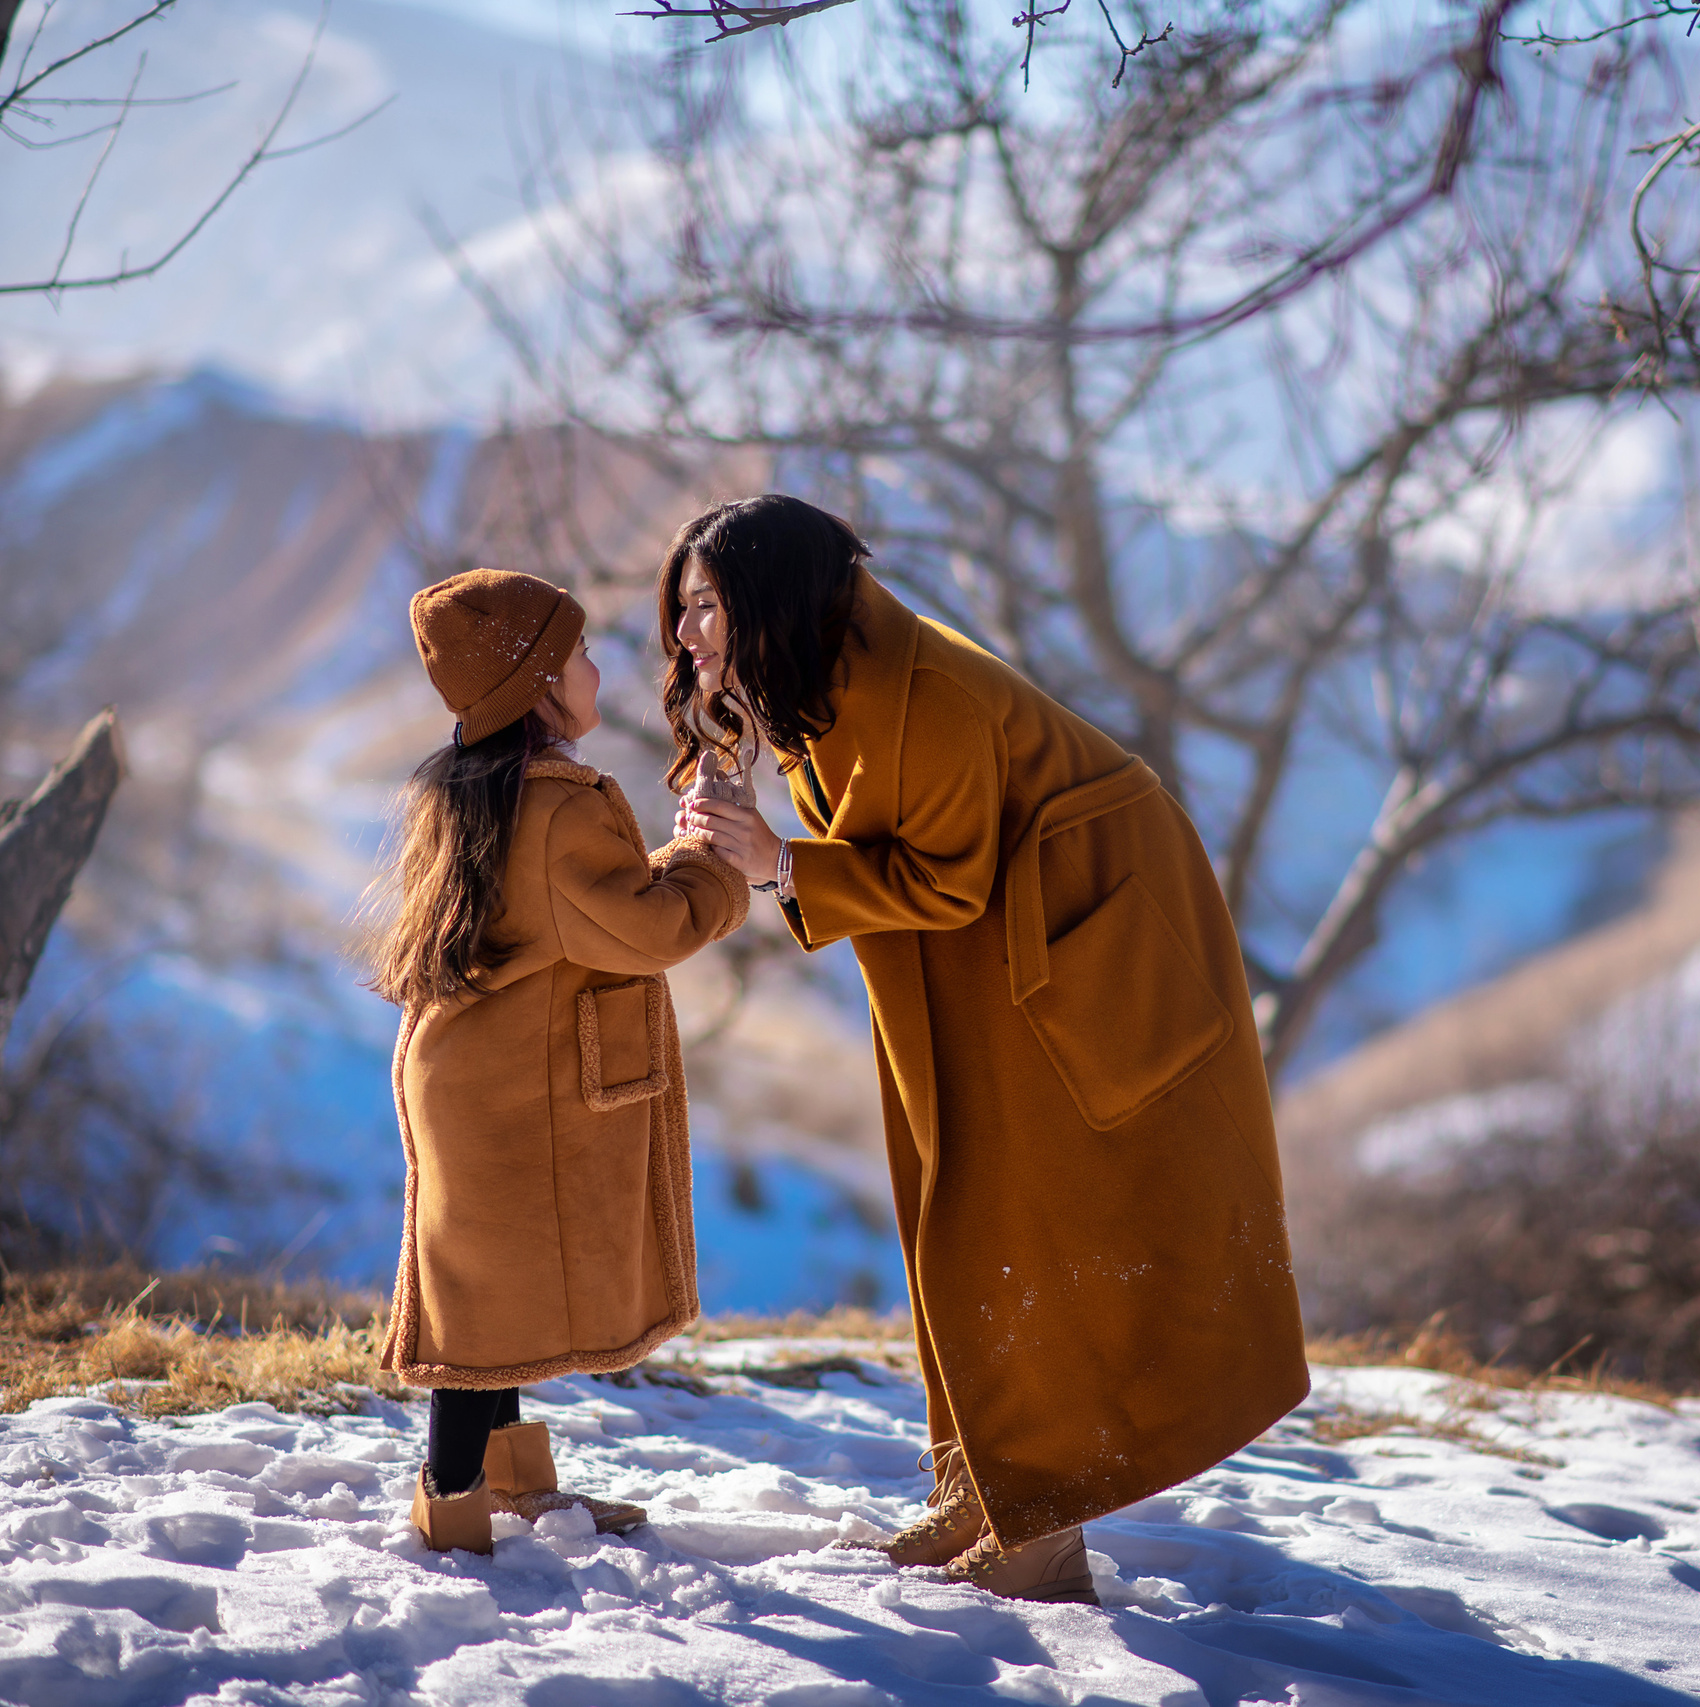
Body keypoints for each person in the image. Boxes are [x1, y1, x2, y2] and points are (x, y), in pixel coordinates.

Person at [669, 495, 1308, 1605]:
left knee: (1023, 1213)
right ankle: (986, 1487)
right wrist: (752, 797)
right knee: (951, 1197)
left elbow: (947, 879)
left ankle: (1039, 1526)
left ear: (772, 595)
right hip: (988, 951)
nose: (687, 638)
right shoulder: (837, 667)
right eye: (682, 613)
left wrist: (780, 861)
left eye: (706, 608)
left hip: (1082, 942)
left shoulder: (933, 689)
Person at [366, 568, 749, 1555]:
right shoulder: (557, 807)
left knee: (495, 1278)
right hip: (511, 1088)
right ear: (540, 681)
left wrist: (675, 855)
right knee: (484, 1306)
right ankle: (450, 1507)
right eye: (576, 654)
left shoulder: (469, 783)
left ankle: (508, 1483)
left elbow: (585, 914)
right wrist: (714, 863)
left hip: (474, 1077)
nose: (593, 668)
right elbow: (645, 930)